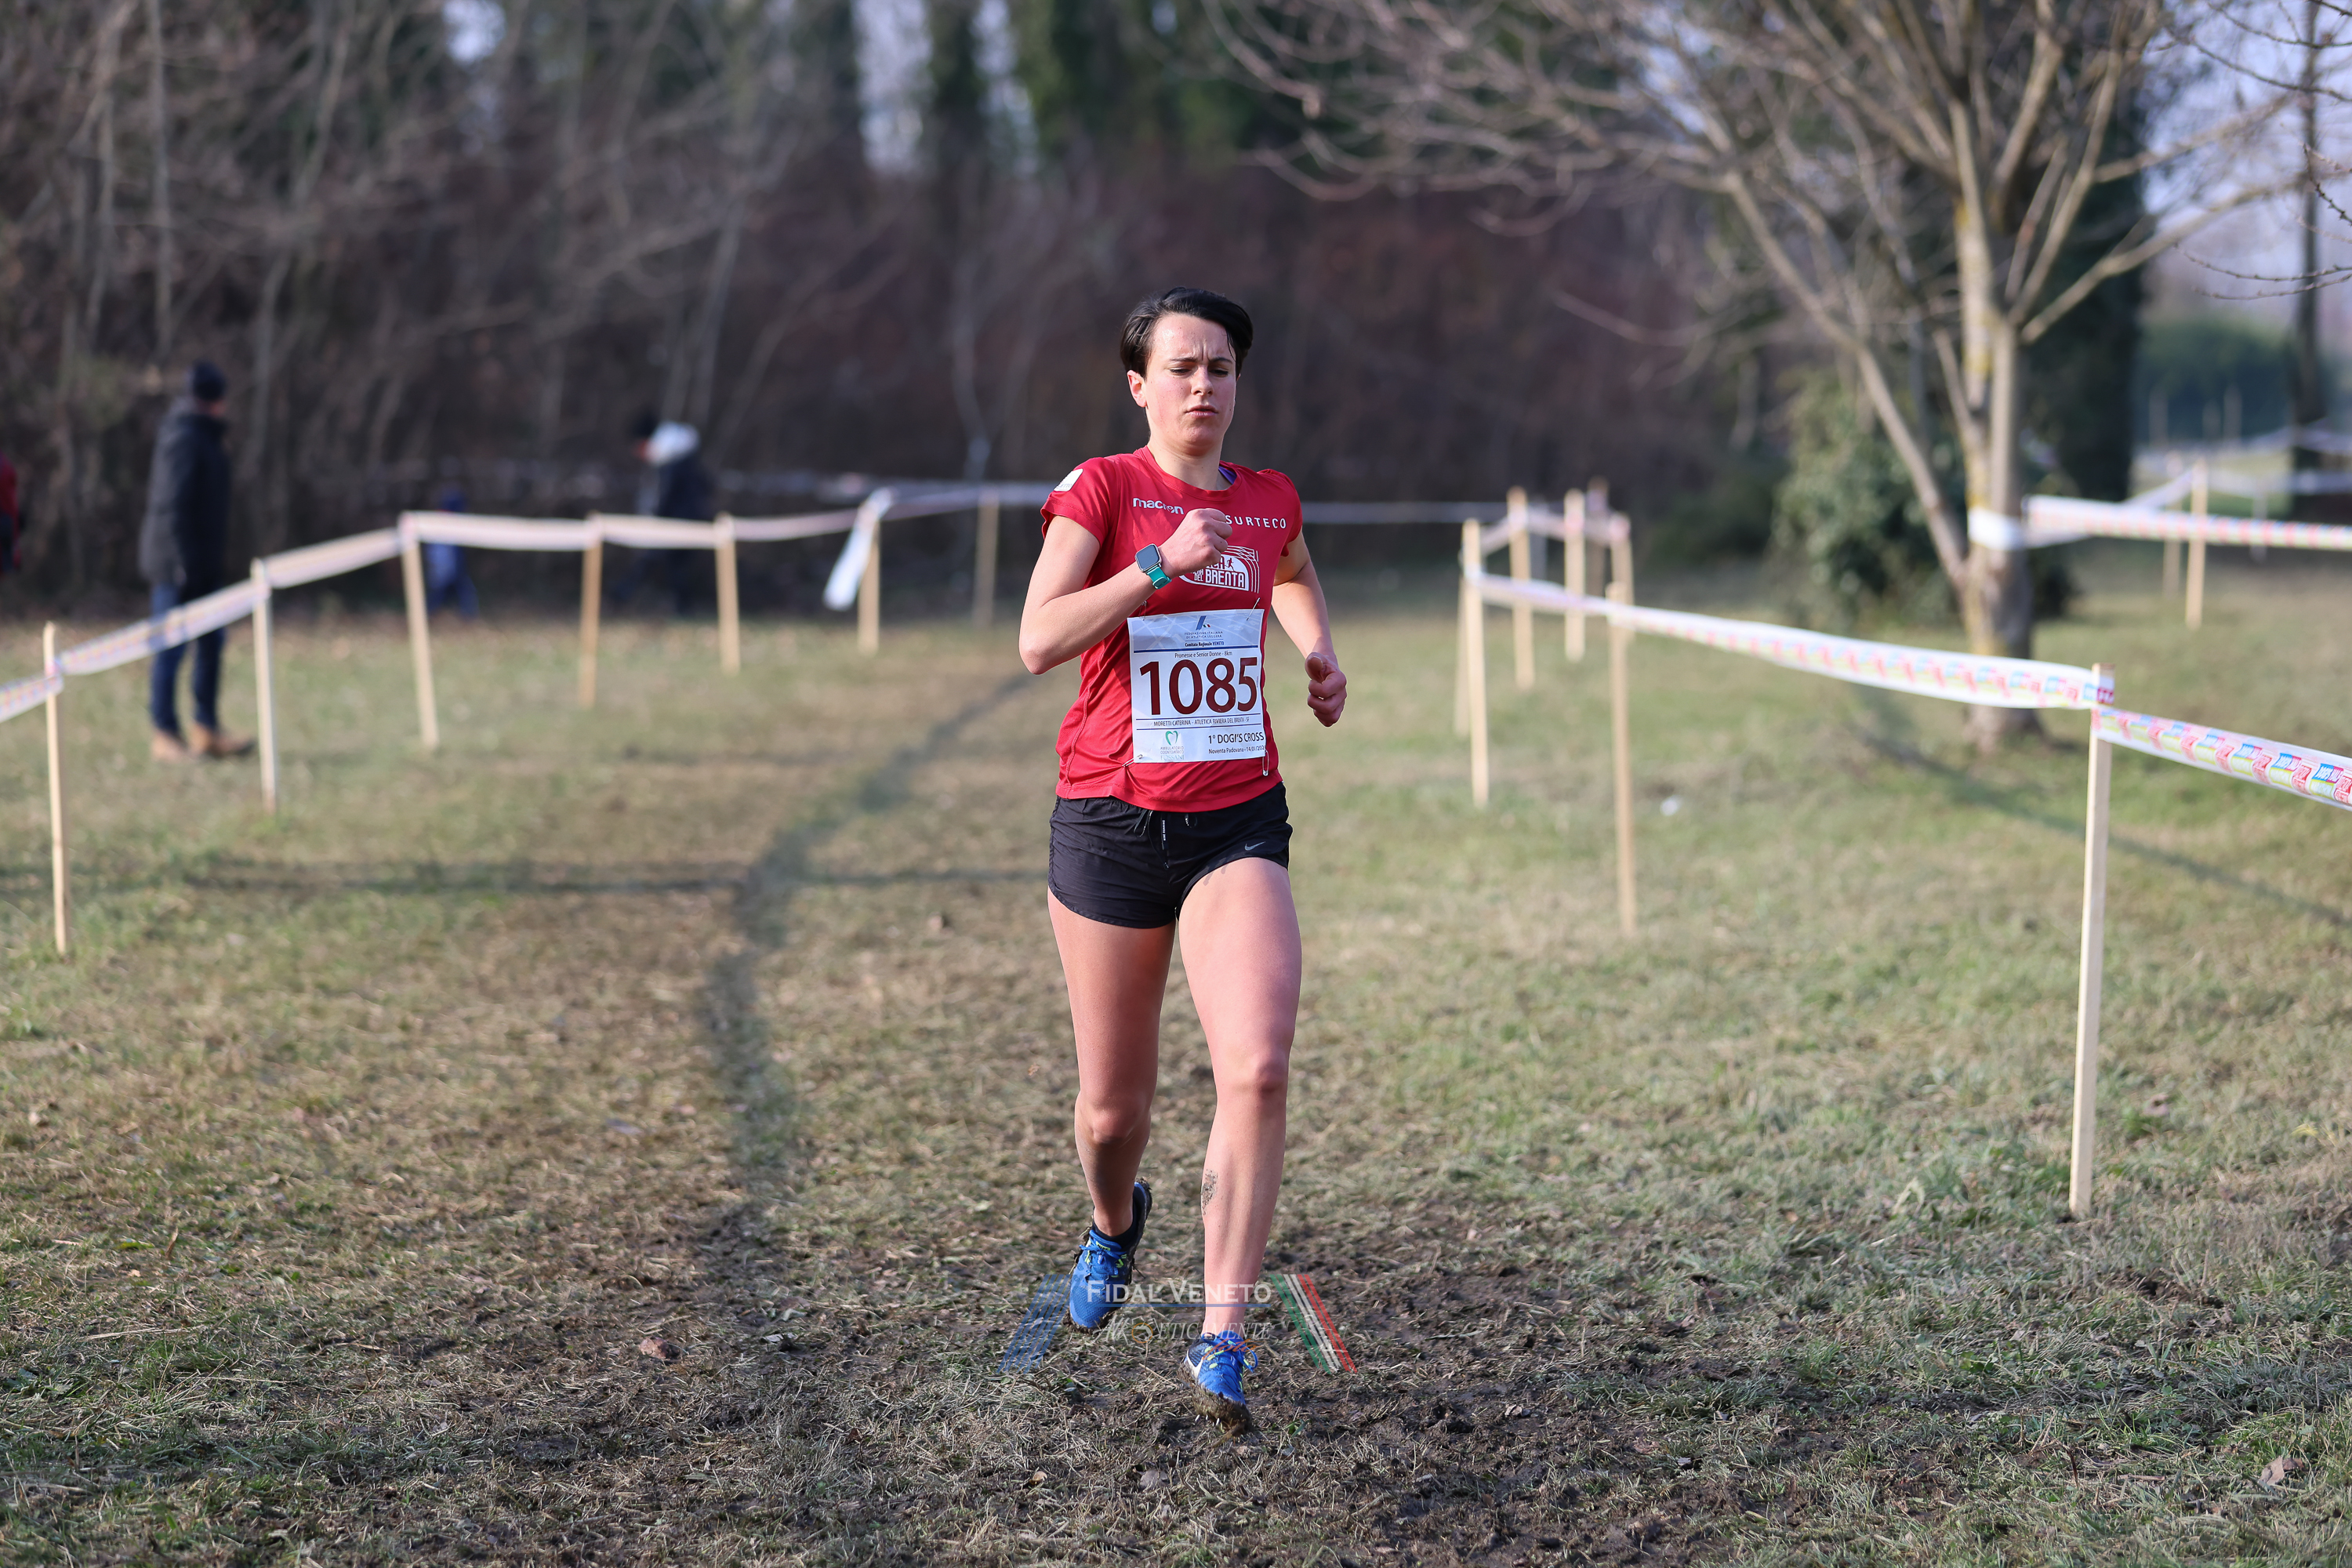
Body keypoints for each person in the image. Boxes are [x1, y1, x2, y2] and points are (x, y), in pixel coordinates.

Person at [1018, 286, 1348, 1430]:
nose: (1205, 384)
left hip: (1235, 820)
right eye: (1183, 367)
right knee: (1114, 1114)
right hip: (1110, 824)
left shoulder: (1266, 500)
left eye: (1222, 367)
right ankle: (1115, 1222)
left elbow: (1291, 567)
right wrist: (1156, 567)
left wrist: (1318, 652)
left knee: (1257, 1066)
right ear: (1140, 386)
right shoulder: (1103, 490)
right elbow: (1038, 637)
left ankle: (1223, 1333)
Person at [139, 361, 253, 763]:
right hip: (176, 565)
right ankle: (165, 733)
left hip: (204, 563)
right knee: (170, 649)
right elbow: (171, 507)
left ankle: (207, 728)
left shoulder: (207, 436)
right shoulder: (182, 437)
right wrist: (180, 563)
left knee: (211, 644)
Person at [613, 412, 713, 615]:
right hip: (685, 520)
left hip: (679, 522)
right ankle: (682, 609)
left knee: (659, 563)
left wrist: (657, 519)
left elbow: (668, 498)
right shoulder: (683, 458)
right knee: (674, 567)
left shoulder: (672, 463)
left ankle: (619, 597)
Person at [425, 485, 480, 619]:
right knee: (449, 593)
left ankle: (467, 617)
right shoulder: (445, 519)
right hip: (445, 566)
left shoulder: (444, 517)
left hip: (448, 566)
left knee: (459, 592)